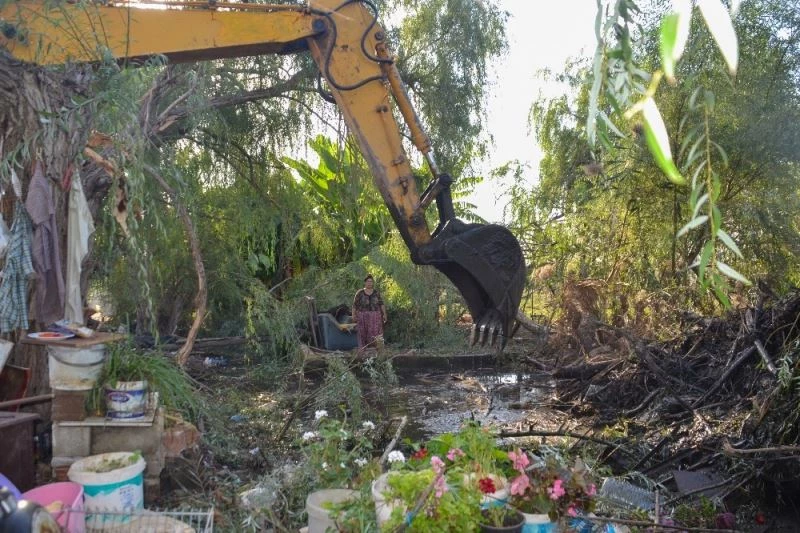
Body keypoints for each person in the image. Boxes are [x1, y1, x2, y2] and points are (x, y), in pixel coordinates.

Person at [352, 274, 387, 349]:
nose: (369, 283)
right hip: (362, 316)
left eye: (371, 281)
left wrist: (384, 314)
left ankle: (377, 348)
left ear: (373, 283)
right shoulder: (360, 293)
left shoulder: (376, 293)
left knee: (376, 333)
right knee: (362, 333)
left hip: (375, 316)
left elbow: (381, 304)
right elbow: (354, 305)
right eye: (368, 281)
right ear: (365, 282)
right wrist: (353, 315)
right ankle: (363, 349)